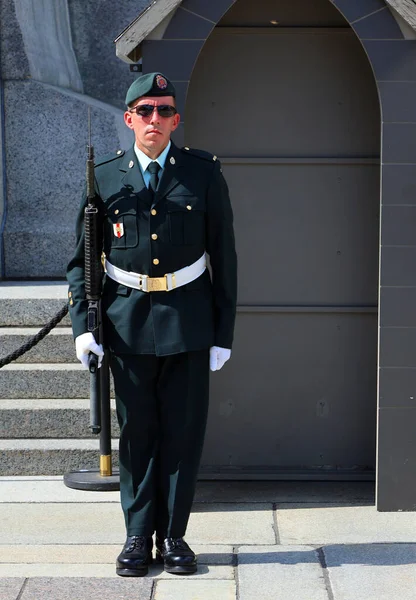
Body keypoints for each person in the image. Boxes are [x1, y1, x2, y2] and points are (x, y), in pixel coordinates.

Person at [66, 72, 237, 577]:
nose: (155, 120)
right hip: (128, 323)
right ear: (130, 119)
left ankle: (176, 537)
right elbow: (82, 261)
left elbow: (225, 259)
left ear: (176, 119)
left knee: (184, 434)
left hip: (188, 322)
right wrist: (82, 326)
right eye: (145, 111)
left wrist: (222, 334)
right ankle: (138, 536)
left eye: (164, 111)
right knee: (138, 433)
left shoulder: (203, 174)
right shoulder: (108, 178)